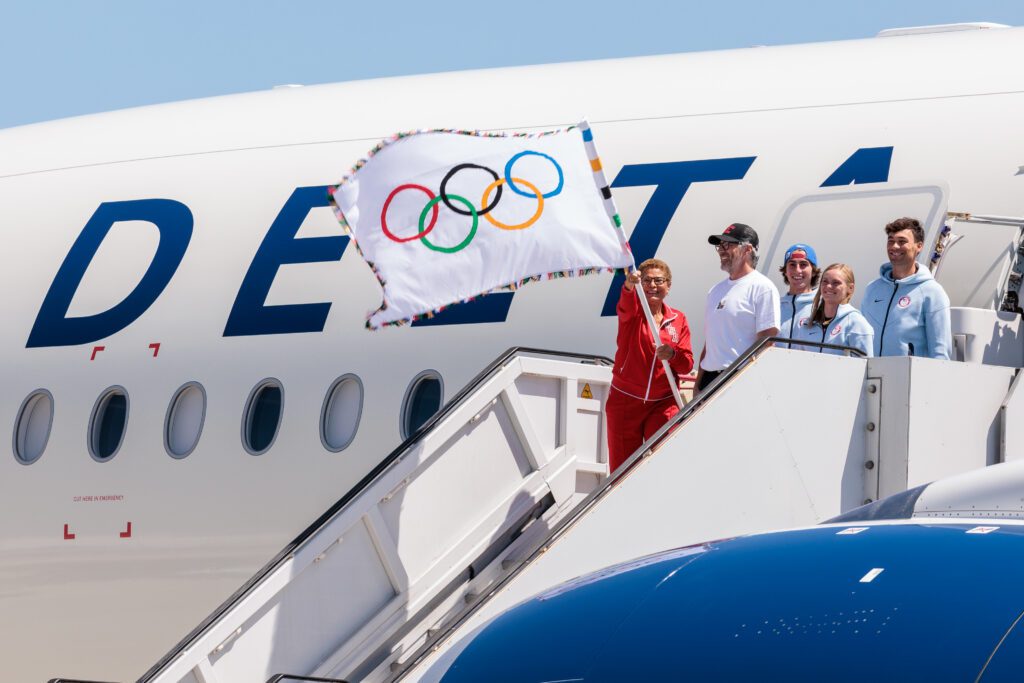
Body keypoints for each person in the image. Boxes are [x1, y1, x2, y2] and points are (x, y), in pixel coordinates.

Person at [606, 258, 694, 472]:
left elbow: (686, 365)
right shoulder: (634, 313)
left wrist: (672, 354)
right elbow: (625, 306)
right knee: (623, 471)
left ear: (668, 286)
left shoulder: (678, 319)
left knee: (666, 464)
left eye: (658, 280)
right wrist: (628, 286)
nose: (652, 285)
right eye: (646, 281)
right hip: (625, 401)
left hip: (663, 402)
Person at [695, 223, 780, 393]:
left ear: (747, 249)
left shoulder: (763, 287)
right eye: (719, 246)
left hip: (739, 379)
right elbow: (710, 342)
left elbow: (767, 343)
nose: (721, 250)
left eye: (727, 245)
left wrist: (745, 381)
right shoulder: (715, 290)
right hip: (708, 381)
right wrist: (698, 383)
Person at [862, 217, 952, 359]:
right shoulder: (873, 289)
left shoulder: (932, 292)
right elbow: (860, 339)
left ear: (919, 246)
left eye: (902, 241)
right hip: (869, 377)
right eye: (891, 241)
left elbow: (941, 351)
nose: (894, 246)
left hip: (908, 378)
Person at [791, 263, 873, 357]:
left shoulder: (857, 324)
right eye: (825, 281)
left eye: (836, 283)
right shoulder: (807, 324)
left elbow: (863, 367)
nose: (829, 286)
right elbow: (798, 362)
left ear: (850, 288)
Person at [778, 243, 820, 348]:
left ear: (813, 271)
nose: (797, 270)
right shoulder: (774, 307)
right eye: (792, 264)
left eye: (803, 264)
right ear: (785, 271)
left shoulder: (823, 306)